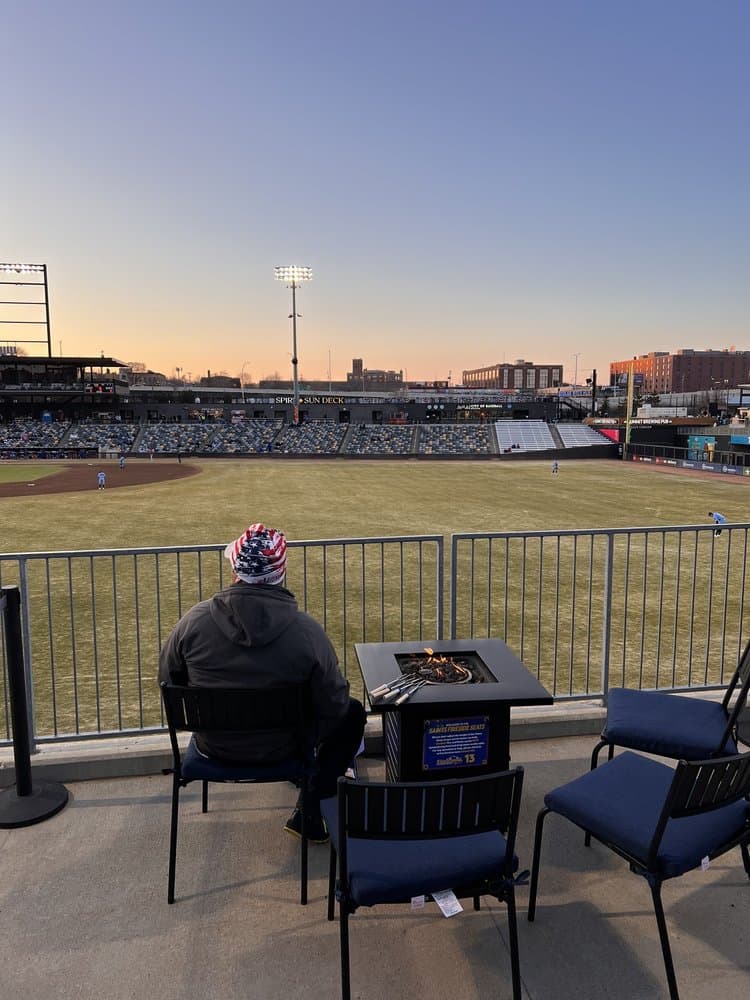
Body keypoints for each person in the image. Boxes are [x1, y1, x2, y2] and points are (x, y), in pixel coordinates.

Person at [159, 522, 366, 844]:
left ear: (234, 571)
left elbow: (170, 681)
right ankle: (310, 809)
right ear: (280, 573)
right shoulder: (306, 632)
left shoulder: (193, 623)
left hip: (214, 746)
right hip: (285, 747)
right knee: (353, 714)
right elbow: (335, 704)